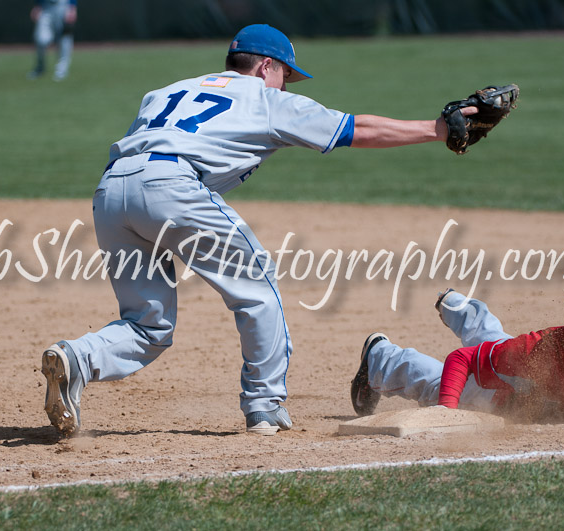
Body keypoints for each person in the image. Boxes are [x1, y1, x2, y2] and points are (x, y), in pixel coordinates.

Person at [40, 23, 478, 438]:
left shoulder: (167, 91)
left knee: (147, 325)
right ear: (266, 66)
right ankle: (265, 406)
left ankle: (78, 358)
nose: (286, 86)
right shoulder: (266, 100)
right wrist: (439, 130)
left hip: (111, 191)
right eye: (285, 74)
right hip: (170, 186)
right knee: (257, 283)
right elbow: (354, 129)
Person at [351, 280, 564, 423]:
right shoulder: (539, 354)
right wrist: (447, 412)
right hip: (500, 393)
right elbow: (462, 359)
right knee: (436, 384)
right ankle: (381, 358)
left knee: (497, 342)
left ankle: (455, 306)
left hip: (515, 365)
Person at [28, 0, 77, 81]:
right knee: (41, 39)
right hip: (46, 6)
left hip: (63, 6)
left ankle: (62, 70)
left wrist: (72, 7)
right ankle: (40, 67)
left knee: (64, 38)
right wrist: (37, 6)